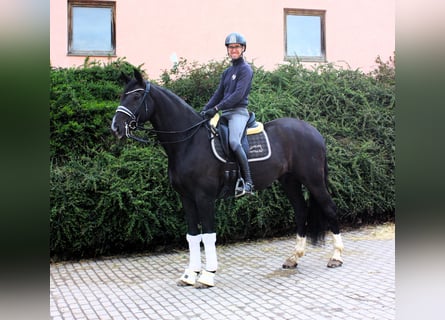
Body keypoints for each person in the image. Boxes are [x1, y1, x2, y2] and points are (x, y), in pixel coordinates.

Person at [201, 32, 254, 197]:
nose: (234, 50)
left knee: (233, 142)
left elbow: (237, 96)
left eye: (237, 47)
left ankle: (248, 182)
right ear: (228, 50)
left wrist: (216, 109)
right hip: (225, 113)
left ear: (243, 48)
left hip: (238, 113)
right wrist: (204, 111)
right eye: (231, 47)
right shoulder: (227, 72)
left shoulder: (246, 70)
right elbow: (218, 94)